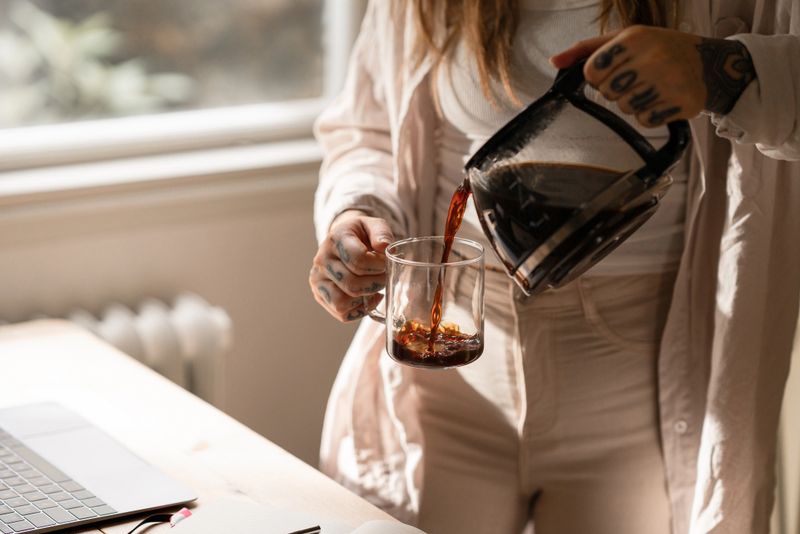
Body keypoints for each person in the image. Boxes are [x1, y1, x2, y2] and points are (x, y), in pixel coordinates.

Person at [308, 1, 800, 533]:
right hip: (447, 390)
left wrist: (721, 71)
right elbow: (371, 127)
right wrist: (360, 211)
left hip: (637, 395)